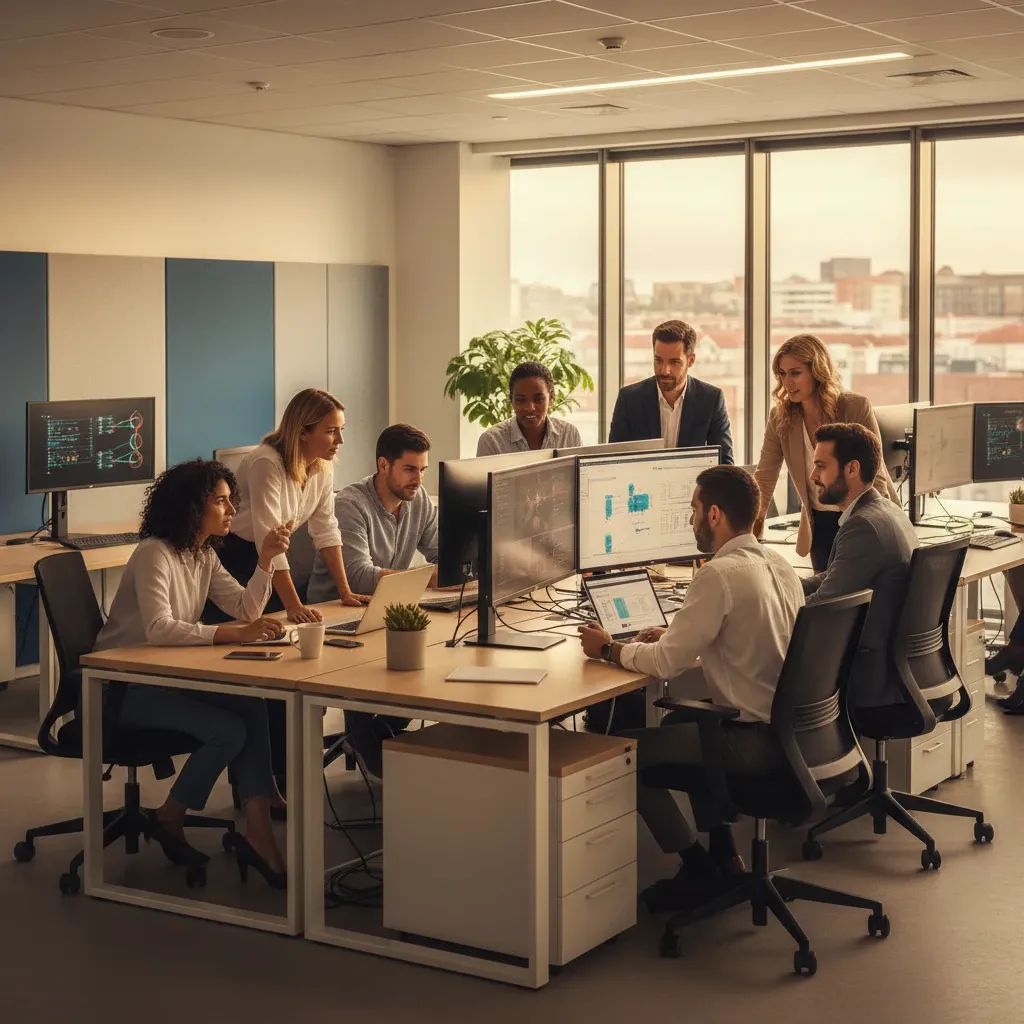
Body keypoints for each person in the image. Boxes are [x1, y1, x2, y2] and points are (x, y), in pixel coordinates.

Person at [579, 466, 804, 912]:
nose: (691, 520)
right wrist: (677, 631)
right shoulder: (777, 565)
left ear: (715, 514)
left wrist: (609, 649)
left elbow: (665, 663)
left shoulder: (719, 576)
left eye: (694, 510)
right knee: (686, 720)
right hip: (793, 732)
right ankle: (726, 854)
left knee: (622, 756)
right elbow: (740, 636)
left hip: (753, 742)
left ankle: (695, 861)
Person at [95, 460, 291, 888]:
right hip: (123, 687)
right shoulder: (155, 554)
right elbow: (158, 628)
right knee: (228, 731)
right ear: (191, 507)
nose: (229, 509)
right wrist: (230, 634)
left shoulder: (201, 554)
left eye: (230, 500)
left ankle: (257, 827)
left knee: (251, 705)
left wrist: (266, 561)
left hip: (166, 678)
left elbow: (246, 609)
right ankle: (170, 815)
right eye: (219, 501)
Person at [217, 388, 370, 787]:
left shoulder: (322, 465)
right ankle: (258, 787)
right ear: (303, 432)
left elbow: (326, 529)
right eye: (332, 431)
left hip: (270, 557)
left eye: (341, 430)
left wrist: (346, 590)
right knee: (257, 674)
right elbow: (268, 538)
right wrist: (295, 607)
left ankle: (281, 781)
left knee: (283, 669)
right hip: (238, 559)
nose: (340, 440)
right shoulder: (266, 463)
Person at [307, 424, 440, 777]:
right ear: (384, 465)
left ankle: (372, 736)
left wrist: (459, 567)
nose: (418, 479)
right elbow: (357, 576)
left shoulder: (419, 500)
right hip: (337, 618)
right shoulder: (350, 505)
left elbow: (443, 554)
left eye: (423, 470)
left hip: (385, 612)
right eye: (410, 469)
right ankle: (364, 736)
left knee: (422, 674)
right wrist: (425, 576)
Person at [753, 334, 897, 572]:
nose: (787, 382)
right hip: (818, 525)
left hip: (860, 517)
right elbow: (765, 477)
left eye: (795, 373)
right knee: (829, 602)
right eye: (782, 374)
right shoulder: (781, 418)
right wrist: (748, 530)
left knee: (861, 598)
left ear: (817, 371)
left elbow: (875, 472)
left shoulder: (854, 406)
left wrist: (879, 523)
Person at [803, 423, 918, 710]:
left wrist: (766, 609)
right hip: (889, 665)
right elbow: (834, 577)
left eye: (821, 466)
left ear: (851, 469)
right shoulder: (885, 510)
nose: (813, 476)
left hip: (865, 675)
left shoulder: (863, 526)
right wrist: (777, 585)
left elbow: (822, 607)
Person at [608, 319, 734, 464]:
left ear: (691, 360)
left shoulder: (711, 400)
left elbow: (725, 465)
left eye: (674, 362)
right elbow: (613, 462)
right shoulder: (629, 400)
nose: (664, 370)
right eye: (658, 360)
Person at [476, 361, 581, 456]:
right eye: (520, 400)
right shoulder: (492, 441)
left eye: (538, 399)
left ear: (552, 398)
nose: (530, 408)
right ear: (511, 400)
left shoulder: (569, 435)